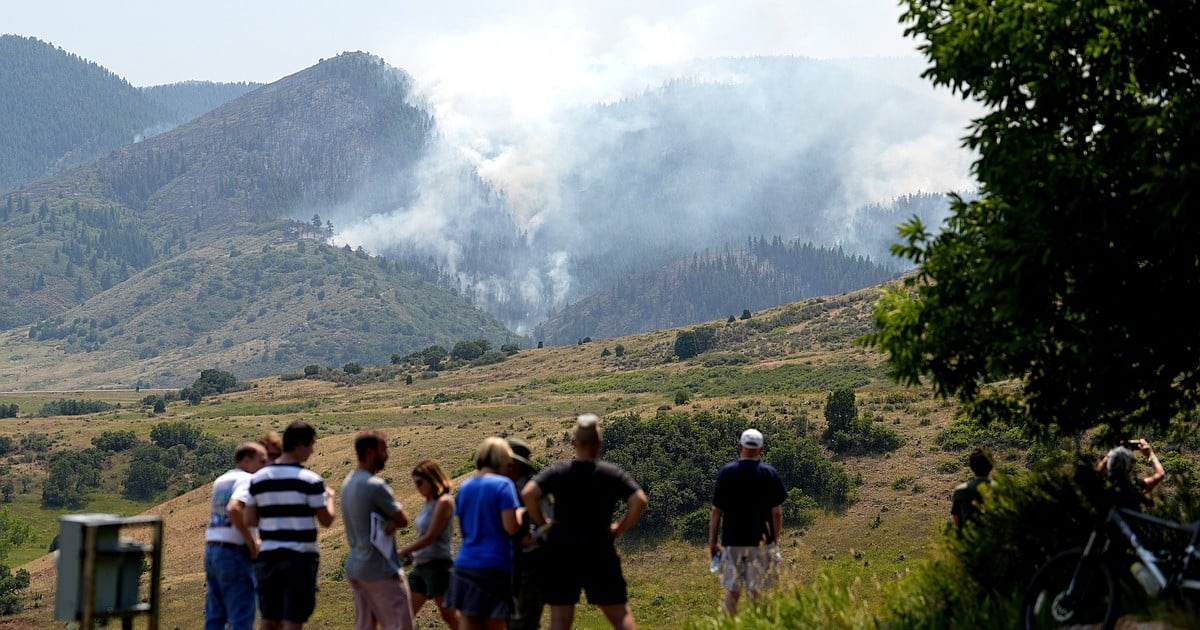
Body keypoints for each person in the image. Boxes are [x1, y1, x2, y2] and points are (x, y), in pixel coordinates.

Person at [522, 413, 647, 630]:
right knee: (619, 615)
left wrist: (545, 524)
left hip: (562, 549)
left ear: (573, 443)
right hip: (599, 547)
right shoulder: (609, 473)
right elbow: (639, 500)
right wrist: (618, 529)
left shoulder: (559, 472)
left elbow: (528, 494)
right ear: (599, 443)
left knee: (560, 620)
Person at [231, 420, 336, 630]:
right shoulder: (311, 480)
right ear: (300, 445)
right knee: (293, 619)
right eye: (311, 445)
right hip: (300, 557)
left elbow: (250, 520)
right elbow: (326, 520)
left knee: (269, 619)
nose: (312, 450)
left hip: (269, 556)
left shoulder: (258, 479)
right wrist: (330, 498)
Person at [707, 428, 787, 616]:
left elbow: (716, 511)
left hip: (732, 541)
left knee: (733, 592)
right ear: (761, 450)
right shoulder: (769, 473)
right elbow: (776, 513)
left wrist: (712, 542)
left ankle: (727, 626)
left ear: (740, 447)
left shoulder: (726, 473)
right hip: (761, 543)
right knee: (755, 593)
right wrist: (775, 541)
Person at [445, 437, 523, 630]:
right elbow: (511, 528)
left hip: (465, 564)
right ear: (502, 460)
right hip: (494, 567)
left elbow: (464, 531)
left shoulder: (464, 487)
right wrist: (520, 514)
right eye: (509, 463)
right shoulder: (503, 485)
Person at [341, 430, 415, 630]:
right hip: (380, 569)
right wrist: (391, 524)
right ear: (370, 452)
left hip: (357, 567)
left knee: (365, 624)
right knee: (400, 624)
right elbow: (402, 518)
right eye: (384, 449)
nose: (387, 454)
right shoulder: (375, 485)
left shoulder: (348, 483)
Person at [205, 441, 268, 630]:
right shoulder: (247, 480)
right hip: (235, 553)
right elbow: (234, 508)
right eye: (261, 461)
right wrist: (251, 542)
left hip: (213, 550)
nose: (265, 466)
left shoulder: (221, 480)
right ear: (247, 461)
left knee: (215, 615)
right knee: (241, 615)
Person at [397, 460, 458, 628]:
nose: (417, 487)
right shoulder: (427, 503)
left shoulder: (444, 502)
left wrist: (403, 551)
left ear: (432, 479)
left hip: (438, 565)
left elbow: (431, 536)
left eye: (420, 482)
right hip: (422, 565)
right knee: (405, 614)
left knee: (449, 615)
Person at [504, 438, 544, 630]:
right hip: (504, 563)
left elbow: (547, 525)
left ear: (516, 465)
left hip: (529, 564)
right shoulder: (501, 488)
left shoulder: (535, 491)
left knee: (523, 622)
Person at [1096, 438, 1166, 509]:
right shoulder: (1134, 486)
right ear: (1129, 467)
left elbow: (1098, 472)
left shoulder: (1103, 485)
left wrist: (1113, 453)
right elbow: (1160, 474)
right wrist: (1151, 454)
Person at [950, 446, 998, 529]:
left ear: (971, 466)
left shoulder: (961, 491)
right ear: (991, 466)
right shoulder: (1000, 489)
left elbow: (956, 523)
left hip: (969, 539)